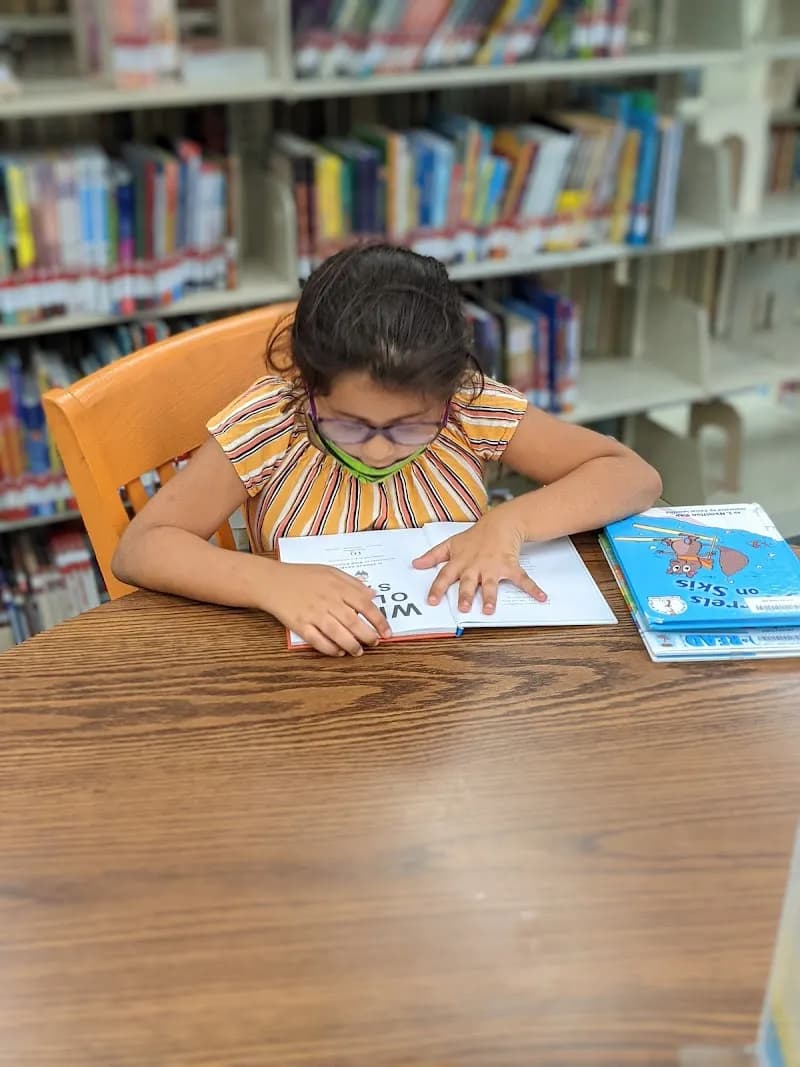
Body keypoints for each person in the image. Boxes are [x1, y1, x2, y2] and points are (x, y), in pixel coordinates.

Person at [113, 244, 662, 656]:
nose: (378, 449)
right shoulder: (273, 420)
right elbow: (141, 548)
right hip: (304, 671)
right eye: (349, 426)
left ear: (451, 392)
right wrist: (268, 581)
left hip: (452, 668)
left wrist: (508, 525)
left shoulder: (470, 409)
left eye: (409, 427)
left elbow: (629, 474)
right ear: (307, 384)